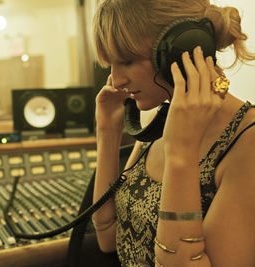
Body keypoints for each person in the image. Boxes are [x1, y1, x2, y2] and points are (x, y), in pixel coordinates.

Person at [91, 0, 255, 266]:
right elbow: (108, 237)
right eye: (110, 64)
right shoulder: (162, 124)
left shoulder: (248, 142)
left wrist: (181, 153)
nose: (116, 79)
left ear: (183, 49)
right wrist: (108, 132)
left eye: (127, 61)